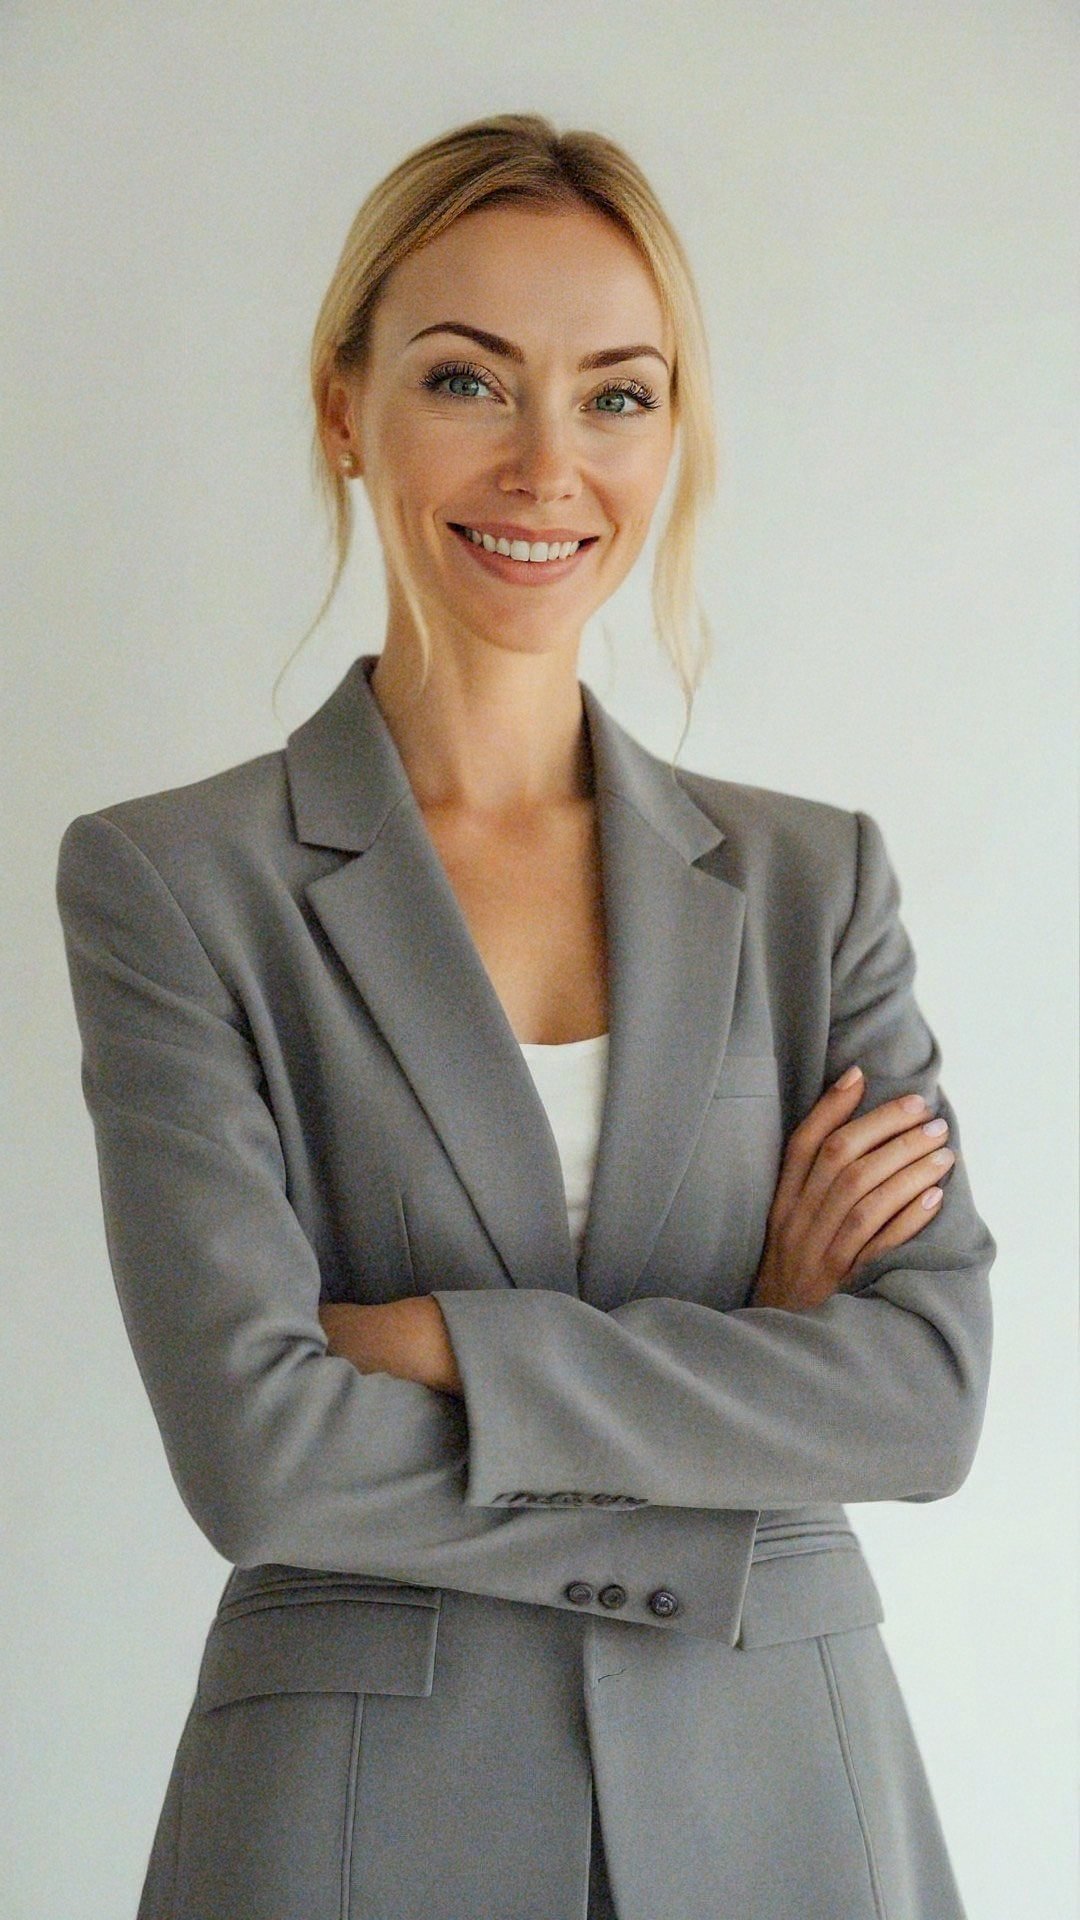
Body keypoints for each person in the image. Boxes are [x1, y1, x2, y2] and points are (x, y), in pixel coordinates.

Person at [56, 112, 994, 1920]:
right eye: (469, 379)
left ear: (676, 430)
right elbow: (259, 1455)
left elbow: (925, 1398)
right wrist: (752, 1363)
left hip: (785, 1792)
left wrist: (434, 1343)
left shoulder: (815, 887)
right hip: (351, 1814)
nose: (548, 464)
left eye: (618, 395)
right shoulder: (177, 883)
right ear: (346, 406)